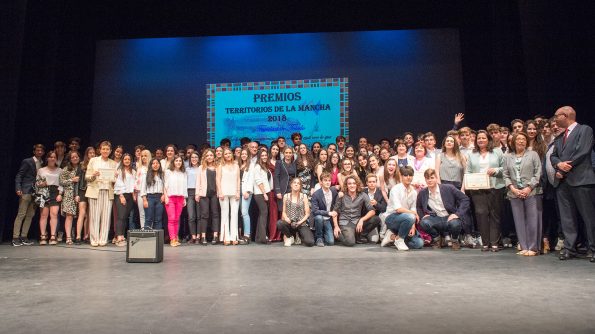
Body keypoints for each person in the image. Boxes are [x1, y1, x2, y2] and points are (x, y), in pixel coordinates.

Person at [550, 106, 595, 262]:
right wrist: (558, 164)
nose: (555, 119)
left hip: (581, 180)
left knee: (589, 217)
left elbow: (582, 151)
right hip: (563, 184)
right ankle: (570, 248)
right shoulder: (560, 137)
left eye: (557, 116)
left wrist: (563, 168)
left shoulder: (585, 130)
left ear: (566, 115)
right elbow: (553, 156)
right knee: (567, 218)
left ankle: (593, 248)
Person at [464, 130, 505, 252]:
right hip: (478, 188)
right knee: (481, 214)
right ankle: (485, 243)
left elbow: (505, 168)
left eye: (483, 138)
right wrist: (468, 184)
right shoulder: (472, 154)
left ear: (488, 140)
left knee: (494, 215)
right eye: (479, 138)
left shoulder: (497, 152)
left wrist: (496, 170)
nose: (481, 140)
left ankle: (494, 243)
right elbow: (468, 171)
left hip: (495, 187)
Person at [503, 132, 542, 256]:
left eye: (523, 139)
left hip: (531, 191)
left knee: (532, 219)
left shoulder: (533, 154)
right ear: (513, 142)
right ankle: (524, 246)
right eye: (518, 139)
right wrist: (513, 189)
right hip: (515, 192)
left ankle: (533, 247)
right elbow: (505, 175)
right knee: (518, 220)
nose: (521, 141)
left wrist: (529, 187)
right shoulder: (508, 157)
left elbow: (538, 172)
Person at [417, 169, 470, 250]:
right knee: (424, 222)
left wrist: (457, 214)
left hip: (449, 217)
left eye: (432, 177)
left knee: (455, 224)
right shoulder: (423, 193)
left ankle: (455, 240)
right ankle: (437, 239)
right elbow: (419, 207)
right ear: (425, 179)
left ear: (436, 178)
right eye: (427, 178)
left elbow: (465, 199)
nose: (430, 180)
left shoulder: (448, 188)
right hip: (436, 218)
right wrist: (422, 216)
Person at [382, 166, 424, 250]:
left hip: (407, 220)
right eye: (405, 175)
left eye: (410, 175)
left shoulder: (414, 192)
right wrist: (414, 215)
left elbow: (413, 208)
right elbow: (398, 209)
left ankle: (392, 236)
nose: (408, 177)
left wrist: (412, 226)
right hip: (391, 219)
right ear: (401, 176)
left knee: (419, 243)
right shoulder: (395, 189)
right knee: (410, 216)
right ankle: (399, 240)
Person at [85, 141, 117, 247]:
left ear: (110, 151)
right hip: (95, 191)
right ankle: (94, 239)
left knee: (106, 216)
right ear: (100, 149)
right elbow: (87, 177)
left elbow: (115, 180)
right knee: (94, 216)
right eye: (103, 149)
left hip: (107, 191)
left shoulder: (113, 163)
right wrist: (93, 175)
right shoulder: (93, 161)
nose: (105, 151)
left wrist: (115, 177)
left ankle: (103, 239)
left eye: (107, 149)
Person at [332, 176, 380, 246]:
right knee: (350, 242)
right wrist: (336, 226)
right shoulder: (341, 195)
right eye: (349, 184)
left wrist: (362, 220)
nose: (352, 185)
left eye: (354, 183)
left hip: (357, 221)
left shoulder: (363, 195)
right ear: (346, 185)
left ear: (357, 184)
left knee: (376, 219)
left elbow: (372, 211)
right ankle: (338, 235)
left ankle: (358, 236)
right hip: (345, 223)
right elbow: (335, 212)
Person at [12, 143, 45, 246]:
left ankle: (24, 236)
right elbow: (19, 175)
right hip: (26, 190)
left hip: (36, 192)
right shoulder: (27, 161)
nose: (40, 152)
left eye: (41, 151)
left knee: (30, 215)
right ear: (34, 151)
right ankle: (15, 238)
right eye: (38, 150)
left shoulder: (42, 163)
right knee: (21, 214)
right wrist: (18, 188)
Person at [276, 178, 314, 247]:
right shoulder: (286, 196)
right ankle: (290, 237)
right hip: (290, 223)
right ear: (291, 185)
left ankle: (298, 235)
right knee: (279, 223)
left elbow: (307, 213)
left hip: (301, 223)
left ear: (300, 186)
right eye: (294, 183)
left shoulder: (304, 196)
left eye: (298, 183)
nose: (296, 184)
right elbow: (284, 212)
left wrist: (300, 222)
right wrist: (286, 218)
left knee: (310, 242)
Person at [36, 151, 63, 245]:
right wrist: (41, 184)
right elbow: (37, 182)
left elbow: (62, 183)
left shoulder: (60, 170)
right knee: (44, 215)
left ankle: (52, 235)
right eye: (50, 157)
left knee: (54, 214)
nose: (52, 159)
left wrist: (60, 194)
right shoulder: (41, 170)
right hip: (44, 191)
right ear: (47, 158)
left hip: (55, 191)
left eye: (54, 157)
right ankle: (43, 235)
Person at [195, 149, 220, 245]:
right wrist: (197, 193)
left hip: (214, 194)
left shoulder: (217, 167)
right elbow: (198, 181)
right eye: (207, 155)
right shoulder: (201, 167)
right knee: (204, 215)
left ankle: (215, 236)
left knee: (215, 214)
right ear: (205, 157)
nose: (209, 157)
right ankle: (203, 237)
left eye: (211, 155)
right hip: (204, 194)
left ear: (214, 157)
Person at [217, 148, 240, 245]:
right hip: (224, 192)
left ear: (232, 154)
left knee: (234, 214)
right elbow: (217, 179)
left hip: (234, 192)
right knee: (225, 215)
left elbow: (238, 179)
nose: (227, 155)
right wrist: (220, 192)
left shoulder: (236, 165)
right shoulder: (220, 165)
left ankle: (234, 237)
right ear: (223, 155)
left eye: (229, 153)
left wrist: (238, 191)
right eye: (225, 154)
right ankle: (225, 237)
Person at [59, 151, 82, 245]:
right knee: (69, 216)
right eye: (73, 157)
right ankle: (68, 237)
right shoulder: (66, 169)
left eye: (76, 156)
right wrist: (71, 180)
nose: (75, 158)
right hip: (69, 194)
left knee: (78, 216)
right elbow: (61, 182)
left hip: (80, 194)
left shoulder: (82, 168)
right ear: (70, 159)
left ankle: (77, 235)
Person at [113, 153, 136, 247]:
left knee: (125, 216)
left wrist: (133, 195)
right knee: (121, 216)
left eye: (129, 159)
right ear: (122, 160)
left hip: (130, 195)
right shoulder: (119, 170)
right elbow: (118, 183)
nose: (127, 161)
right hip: (120, 194)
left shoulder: (133, 171)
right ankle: (119, 237)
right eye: (125, 159)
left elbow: (134, 184)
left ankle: (122, 236)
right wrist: (121, 196)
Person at [164, 155, 187, 247]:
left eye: (180, 161)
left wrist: (184, 198)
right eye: (176, 161)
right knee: (172, 218)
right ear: (173, 162)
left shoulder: (183, 173)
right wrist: (166, 197)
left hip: (180, 197)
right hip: (170, 197)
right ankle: (172, 238)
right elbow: (165, 185)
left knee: (177, 218)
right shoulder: (168, 172)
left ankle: (175, 237)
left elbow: (184, 186)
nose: (178, 162)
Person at [311, 172, 339, 246]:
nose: (327, 182)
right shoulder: (316, 194)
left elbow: (336, 205)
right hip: (319, 217)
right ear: (321, 182)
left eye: (329, 180)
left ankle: (324, 235)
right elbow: (315, 211)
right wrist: (328, 213)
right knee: (319, 218)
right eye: (325, 180)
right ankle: (319, 237)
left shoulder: (333, 191)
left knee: (330, 242)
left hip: (328, 219)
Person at [253, 149, 273, 244]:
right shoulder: (257, 167)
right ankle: (263, 237)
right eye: (262, 155)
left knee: (262, 214)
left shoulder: (265, 166)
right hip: (260, 193)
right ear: (259, 157)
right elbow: (258, 181)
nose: (264, 157)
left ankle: (259, 237)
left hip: (266, 192)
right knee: (264, 213)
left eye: (266, 155)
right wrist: (264, 193)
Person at [141, 158, 165, 231]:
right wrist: (144, 200)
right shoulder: (146, 175)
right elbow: (143, 188)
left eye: (157, 163)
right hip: (149, 198)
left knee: (158, 219)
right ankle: (146, 238)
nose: (155, 165)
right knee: (148, 218)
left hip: (159, 198)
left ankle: (157, 238)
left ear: (159, 165)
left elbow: (165, 186)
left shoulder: (162, 175)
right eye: (153, 163)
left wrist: (163, 195)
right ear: (151, 165)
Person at [363, 174, 387, 242]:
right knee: (374, 240)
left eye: (373, 182)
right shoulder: (362, 192)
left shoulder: (381, 192)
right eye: (370, 182)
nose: (372, 184)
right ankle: (362, 234)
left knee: (374, 240)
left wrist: (376, 204)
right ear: (367, 183)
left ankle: (369, 233)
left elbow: (384, 209)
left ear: (376, 183)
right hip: (365, 217)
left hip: (376, 219)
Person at [238, 148, 253, 243]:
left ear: (248, 155)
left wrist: (248, 191)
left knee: (244, 212)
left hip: (246, 191)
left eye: (245, 154)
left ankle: (247, 234)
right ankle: (240, 234)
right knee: (240, 213)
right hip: (237, 191)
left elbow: (251, 179)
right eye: (242, 154)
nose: (243, 155)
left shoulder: (251, 166)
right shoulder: (239, 165)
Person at [267, 144, 281, 242]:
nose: (275, 151)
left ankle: (279, 235)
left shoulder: (280, 162)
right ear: (270, 150)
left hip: (279, 189)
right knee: (272, 213)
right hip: (270, 189)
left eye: (277, 149)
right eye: (273, 149)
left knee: (280, 213)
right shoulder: (266, 161)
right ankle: (272, 235)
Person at [186, 152, 201, 244]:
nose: (194, 159)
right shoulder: (187, 169)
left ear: (198, 158)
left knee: (199, 216)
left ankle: (199, 236)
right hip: (190, 193)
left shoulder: (201, 168)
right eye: (192, 157)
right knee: (191, 216)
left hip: (199, 192)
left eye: (196, 157)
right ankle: (193, 236)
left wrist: (199, 193)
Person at [134, 149, 152, 228]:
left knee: (150, 213)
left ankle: (151, 232)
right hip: (140, 193)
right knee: (142, 214)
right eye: (142, 156)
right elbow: (136, 181)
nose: (143, 157)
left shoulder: (152, 167)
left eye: (145, 156)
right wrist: (135, 192)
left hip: (151, 193)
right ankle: (143, 231)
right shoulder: (139, 168)